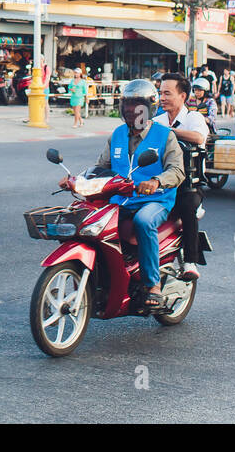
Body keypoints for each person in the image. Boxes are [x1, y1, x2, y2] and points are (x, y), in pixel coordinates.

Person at [65, 79, 184, 310]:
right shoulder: (117, 135)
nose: (131, 110)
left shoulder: (164, 135)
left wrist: (156, 181)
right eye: (127, 104)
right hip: (121, 198)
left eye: (137, 104)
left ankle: (153, 285)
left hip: (156, 199)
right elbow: (101, 167)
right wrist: (77, 180)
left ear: (149, 107)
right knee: (90, 221)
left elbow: (177, 170)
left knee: (143, 221)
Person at [154, 74, 210, 282]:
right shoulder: (157, 119)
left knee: (187, 205)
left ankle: (190, 261)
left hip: (188, 186)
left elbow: (198, 137)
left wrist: (169, 132)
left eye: (167, 93)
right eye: (160, 93)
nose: (162, 97)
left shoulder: (193, 117)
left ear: (182, 96)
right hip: (160, 183)